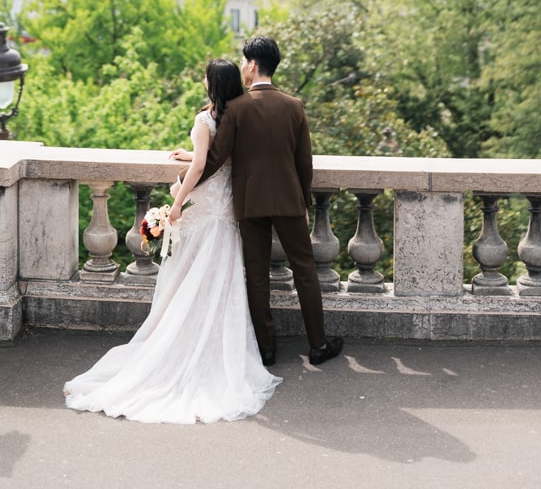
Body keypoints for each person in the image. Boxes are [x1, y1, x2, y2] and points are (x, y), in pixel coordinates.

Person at [63, 58, 281, 424]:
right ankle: (217, 345)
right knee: (220, 278)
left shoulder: (204, 119)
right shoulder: (236, 118)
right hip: (225, 207)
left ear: (212, 84)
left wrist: (177, 203)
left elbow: (200, 168)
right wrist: (193, 154)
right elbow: (217, 157)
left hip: (203, 204)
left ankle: (180, 344)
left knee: (187, 275)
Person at [197, 34, 343, 368]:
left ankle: (266, 349)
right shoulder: (294, 106)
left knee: (257, 273)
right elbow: (304, 162)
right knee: (305, 270)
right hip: (289, 199)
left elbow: (216, 158)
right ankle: (318, 344)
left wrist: (182, 183)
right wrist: (304, 203)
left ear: (250, 65)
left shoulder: (235, 108)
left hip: (250, 202)